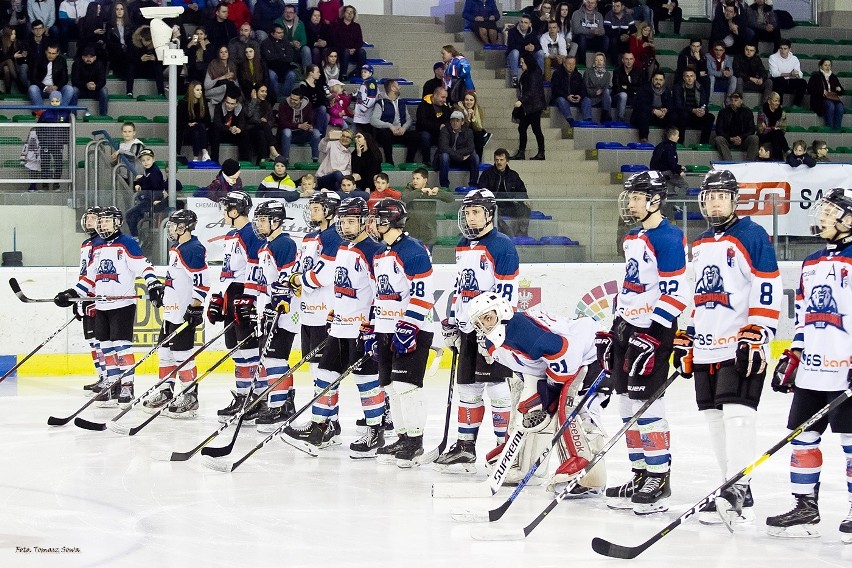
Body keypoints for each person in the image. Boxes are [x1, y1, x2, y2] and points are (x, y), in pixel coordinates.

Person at [676, 169, 782, 525]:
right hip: (706, 345)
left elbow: (767, 285)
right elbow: (696, 293)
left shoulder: (752, 235)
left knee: (738, 416)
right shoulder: (702, 241)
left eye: (722, 196)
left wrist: (759, 331)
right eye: (710, 196)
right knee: (713, 417)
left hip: (739, 344)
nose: (715, 202)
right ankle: (731, 485)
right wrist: (686, 334)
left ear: (735, 200)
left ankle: (738, 485)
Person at [765, 187, 852, 542]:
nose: (822, 218)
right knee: (802, 439)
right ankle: (805, 507)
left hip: (844, 370)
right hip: (813, 371)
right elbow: (802, 316)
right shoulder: (812, 261)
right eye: (823, 211)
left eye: (831, 212)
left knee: (850, 440)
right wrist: (795, 353)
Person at [597, 170, 686, 515]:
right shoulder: (633, 237)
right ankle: (639, 474)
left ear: (654, 200)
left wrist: (651, 333)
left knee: (647, 409)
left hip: (653, 333)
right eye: (630, 196)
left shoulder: (669, 237)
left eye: (636, 197)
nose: (630, 202)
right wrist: (616, 326)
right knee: (625, 409)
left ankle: (659, 478)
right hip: (627, 330)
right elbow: (631, 286)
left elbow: (676, 294)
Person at [470, 293, 608, 494]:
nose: (485, 326)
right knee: (528, 409)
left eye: (488, 318)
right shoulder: (495, 343)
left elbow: (566, 355)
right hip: (566, 359)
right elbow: (530, 369)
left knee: (572, 405)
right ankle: (526, 467)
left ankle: (588, 474)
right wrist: (539, 399)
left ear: (502, 310)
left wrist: (550, 392)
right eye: (480, 323)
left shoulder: (519, 330)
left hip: (590, 353)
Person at [285, 197, 385, 452]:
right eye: (343, 220)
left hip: (361, 329)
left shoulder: (374, 251)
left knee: (367, 381)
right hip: (339, 327)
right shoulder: (341, 247)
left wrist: (373, 324)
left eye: (352, 220)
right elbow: (334, 283)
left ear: (364, 222)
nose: (347, 226)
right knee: (325, 375)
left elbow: (380, 292)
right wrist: (333, 311)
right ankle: (320, 427)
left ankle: (375, 432)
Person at [434, 189, 517, 472]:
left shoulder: (502, 245)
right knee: (467, 387)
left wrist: (492, 330)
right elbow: (460, 288)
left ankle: (504, 448)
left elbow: (506, 291)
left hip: (493, 330)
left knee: (496, 388)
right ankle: (466, 447)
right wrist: (454, 322)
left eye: (475, 212)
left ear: (489, 214)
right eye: (467, 212)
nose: (470, 217)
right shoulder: (463, 243)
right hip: (468, 328)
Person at [54, 206, 164, 407]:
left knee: (122, 347)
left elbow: (144, 266)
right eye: (101, 221)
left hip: (122, 304)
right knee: (106, 348)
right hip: (102, 305)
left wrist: (153, 283)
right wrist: (72, 293)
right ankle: (112, 384)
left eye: (107, 221)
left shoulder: (127, 244)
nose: (102, 224)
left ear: (117, 223)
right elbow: (89, 277)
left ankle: (127, 386)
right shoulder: (98, 247)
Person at [366, 198, 436, 467]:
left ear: (390, 220)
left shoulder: (414, 251)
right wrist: (371, 328)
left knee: (408, 387)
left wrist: (409, 325)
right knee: (391, 388)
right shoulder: (380, 253)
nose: (373, 223)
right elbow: (377, 296)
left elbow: (423, 294)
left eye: (377, 218)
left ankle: (416, 442)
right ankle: (402, 436)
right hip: (385, 329)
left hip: (412, 329)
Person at [142, 210, 209, 419]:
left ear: (184, 227)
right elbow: (177, 278)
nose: (170, 229)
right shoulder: (177, 248)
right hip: (171, 313)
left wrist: (196, 307)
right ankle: (165, 391)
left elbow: (203, 281)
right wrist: (164, 292)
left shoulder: (194, 249)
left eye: (174, 225)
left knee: (182, 355)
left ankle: (190, 396)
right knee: (164, 353)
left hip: (183, 313)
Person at [207, 191, 265, 422]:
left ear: (235, 210)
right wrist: (219, 296)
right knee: (236, 348)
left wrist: (250, 298)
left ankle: (257, 398)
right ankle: (243, 395)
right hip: (232, 294)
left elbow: (257, 266)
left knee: (249, 348)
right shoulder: (232, 234)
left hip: (245, 293)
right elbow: (227, 270)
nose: (223, 212)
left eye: (226, 208)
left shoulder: (252, 232)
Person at [243, 200, 301, 431]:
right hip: (269, 309)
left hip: (284, 312)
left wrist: (277, 301)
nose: (258, 224)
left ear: (276, 221)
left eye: (262, 219)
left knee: (276, 358)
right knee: (269, 359)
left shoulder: (285, 244)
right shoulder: (266, 245)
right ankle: (283, 402)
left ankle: (278, 407)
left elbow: (288, 276)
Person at [75, 207, 106, 394]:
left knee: (101, 341)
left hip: (96, 297)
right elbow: (84, 273)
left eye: (94, 218)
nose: (89, 221)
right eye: (88, 218)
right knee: (92, 342)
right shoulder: (86, 243)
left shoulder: (102, 243)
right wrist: (79, 298)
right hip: (86, 295)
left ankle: (108, 378)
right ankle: (102, 377)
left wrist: (94, 297)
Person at [477, 148, 531, 237]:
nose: (499, 162)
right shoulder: (487, 174)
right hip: (494, 205)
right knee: (491, 213)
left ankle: (522, 235)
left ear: (507, 161)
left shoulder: (513, 175)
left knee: (525, 209)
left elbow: (521, 190)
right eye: (497, 160)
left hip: (510, 205)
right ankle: (507, 234)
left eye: (501, 160)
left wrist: (524, 199)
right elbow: (481, 190)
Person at [399, 167, 455, 250]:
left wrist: (439, 192)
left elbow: (451, 199)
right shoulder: (409, 189)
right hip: (412, 233)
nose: (414, 181)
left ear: (425, 180)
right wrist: (421, 191)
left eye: (418, 178)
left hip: (428, 234)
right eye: (413, 178)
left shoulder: (431, 190)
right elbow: (405, 198)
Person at [371, 79, 418, 165]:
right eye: (398, 86)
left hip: (400, 131)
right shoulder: (381, 103)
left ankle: (409, 161)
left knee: (415, 136)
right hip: (387, 132)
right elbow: (373, 120)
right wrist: (390, 126)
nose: (400, 87)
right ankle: (389, 161)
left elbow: (409, 119)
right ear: (393, 88)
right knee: (385, 135)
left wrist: (404, 128)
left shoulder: (401, 102)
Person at [125, 148, 166, 241]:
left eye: (148, 159)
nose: (146, 162)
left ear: (153, 159)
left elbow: (154, 186)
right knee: (133, 216)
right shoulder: (148, 171)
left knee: (129, 215)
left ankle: (135, 237)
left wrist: (142, 181)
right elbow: (145, 179)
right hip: (147, 200)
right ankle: (137, 236)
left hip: (151, 201)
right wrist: (139, 182)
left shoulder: (155, 171)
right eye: (143, 160)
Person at [513, 54, 546, 161]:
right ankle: (521, 152)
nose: (521, 64)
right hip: (528, 106)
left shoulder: (534, 73)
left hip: (535, 106)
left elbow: (532, 91)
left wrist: (521, 101)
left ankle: (541, 152)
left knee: (536, 129)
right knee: (522, 128)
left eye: (522, 62)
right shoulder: (527, 73)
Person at [277, 88, 320, 166]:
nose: (292, 101)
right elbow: (282, 123)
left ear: (301, 100)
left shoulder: (308, 105)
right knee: (287, 131)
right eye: (291, 98)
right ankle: (285, 160)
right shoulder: (283, 104)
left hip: (302, 134)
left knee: (316, 133)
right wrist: (298, 125)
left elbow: (310, 119)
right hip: (287, 135)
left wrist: (309, 126)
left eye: (295, 100)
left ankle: (315, 160)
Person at [672, 66, 714, 145]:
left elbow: (704, 103)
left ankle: (703, 143)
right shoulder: (677, 87)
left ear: (695, 77)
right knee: (683, 114)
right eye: (687, 76)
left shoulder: (700, 87)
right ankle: (680, 142)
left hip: (696, 116)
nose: (689, 78)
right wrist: (692, 110)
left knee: (710, 117)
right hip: (683, 115)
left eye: (691, 76)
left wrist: (703, 110)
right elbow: (678, 106)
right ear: (683, 78)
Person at [437, 110, 479, 188]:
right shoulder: (445, 130)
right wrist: (459, 156)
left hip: (462, 158)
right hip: (451, 158)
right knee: (444, 156)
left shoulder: (468, 131)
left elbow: (470, 148)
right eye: (453, 120)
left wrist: (457, 154)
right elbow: (443, 147)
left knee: (475, 157)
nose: (455, 123)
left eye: (457, 121)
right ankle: (444, 186)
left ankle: (473, 185)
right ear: (450, 121)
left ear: (462, 122)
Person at [713, 92, 759, 161]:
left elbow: (751, 129)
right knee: (718, 139)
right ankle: (729, 162)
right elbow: (719, 130)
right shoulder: (723, 112)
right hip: (728, 140)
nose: (733, 102)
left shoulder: (748, 112)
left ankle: (749, 163)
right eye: (732, 100)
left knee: (754, 138)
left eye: (736, 100)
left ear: (741, 101)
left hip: (743, 140)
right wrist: (730, 138)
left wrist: (741, 138)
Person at [209, 87, 250, 162]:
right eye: (228, 103)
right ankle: (214, 160)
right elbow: (217, 123)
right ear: (225, 101)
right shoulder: (219, 107)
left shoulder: (240, 109)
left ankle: (244, 161)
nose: (229, 105)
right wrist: (229, 128)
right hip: (222, 133)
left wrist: (238, 129)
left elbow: (242, 123)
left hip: (234, 135)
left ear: (236, 104)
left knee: (244, 134)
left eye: (232, 104)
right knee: (214, 131)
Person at [27, 41, 74, 107]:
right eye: (49, 53)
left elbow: (64, 78)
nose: (51, 55)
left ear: (57, 53)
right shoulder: (38, 59)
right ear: (46, 51)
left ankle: (61, 110)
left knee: (69, 89)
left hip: (56, 89)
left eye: (53, 53)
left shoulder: (62, 60)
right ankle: (41, 111)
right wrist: (45, 87)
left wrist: (56, 86)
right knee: (32, 88)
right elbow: (33, 77)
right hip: (41, 88)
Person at [632, 71, 672, 142]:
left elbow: (670, 104)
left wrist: (666, 110)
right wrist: (654, 111)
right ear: (652, 79)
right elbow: (641, 105)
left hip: (660, 116)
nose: (658, 82)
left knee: (673, 116)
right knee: (643, 114)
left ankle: (669, 140)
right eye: (656, 79)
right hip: (647, 114)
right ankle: (643, 139)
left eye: (660, 80)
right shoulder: (644, 88)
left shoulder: (667, 90)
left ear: (664, 81)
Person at [415, 86, 451, 165]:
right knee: (425, 136)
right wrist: (438, 126)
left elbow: (448, 121)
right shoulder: (423, 106)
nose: (444, 100)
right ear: (435, 95)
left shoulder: (446, 108)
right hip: (425, 133)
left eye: (446, 98)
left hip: (440, 134)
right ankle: (426, 161)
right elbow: (422, 123)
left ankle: (442, 161)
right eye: (442, 97)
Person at [261, 24, 298, 100]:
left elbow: (289, 58)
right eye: (278, 33)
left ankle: (285, 97)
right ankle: (276, 97)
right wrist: (282, 55)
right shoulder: (265, 43)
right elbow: (268, 58)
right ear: (272, 33)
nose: (281, 35)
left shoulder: (286, 42)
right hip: (271, 68)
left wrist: (274, 55)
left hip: (285, 68)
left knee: (292, 75)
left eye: (282, 32)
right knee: (271, 76)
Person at [505, 15, 543, 88]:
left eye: (525, 22)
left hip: (527, 56)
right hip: (513, 56)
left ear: (529, 24)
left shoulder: (533, 32)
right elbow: (511, 46)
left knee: (540, 53)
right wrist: (524, 47)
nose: (523, 24)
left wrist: (533, 47)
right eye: (521, 22)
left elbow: (538, 46)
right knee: (515, 52)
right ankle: (514, 78)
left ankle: (539, 77)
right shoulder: (512, 31)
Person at [244, 83, 279, 163]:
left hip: (263, 130)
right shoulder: (248, 102)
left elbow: (271, 121)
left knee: (262, 132)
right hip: (250, 130)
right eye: (262, 91)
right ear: (255, 92)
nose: (265, 94)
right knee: (263, 125)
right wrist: (254, 100)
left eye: (266, 92)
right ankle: (272, 148)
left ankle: (263, 159)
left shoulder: (267, 104)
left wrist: (265, 122)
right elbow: (249, 115)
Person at [178, 81, 212, 162]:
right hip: (186, 130)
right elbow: (178, 122)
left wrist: (197, 124)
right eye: (197, 90)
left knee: (197, 130)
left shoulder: (203, 103)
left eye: (201, 90)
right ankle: (204, 151)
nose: (200, 92)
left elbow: (208, 120)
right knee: (199, 127)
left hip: (199, 131)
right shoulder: (183, 103)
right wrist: (188, 124)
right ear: (191, 91)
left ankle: (196, 157)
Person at [807, 58, 845, 131]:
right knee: (830, 105)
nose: (828, 67)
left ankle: (837, 129)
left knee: (840, 107)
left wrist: (839, 89)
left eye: (829, 65)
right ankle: (829, 128)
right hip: (819, 99)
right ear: (821, 66)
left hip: (833, 98)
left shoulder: (833, 76)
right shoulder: (816, 76)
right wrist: (821, 92)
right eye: (825, 65)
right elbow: (810, 89)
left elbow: (841, 91)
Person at [551, 55, 591, 124]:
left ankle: (587, 121)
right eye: (569, 64)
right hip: (561, 98)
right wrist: (567, 96)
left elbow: (583, 89)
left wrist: (580, 96)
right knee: (561, 100)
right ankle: (570, 120)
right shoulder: (557, 74)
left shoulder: (578, 75)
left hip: (574, 99)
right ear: (564, 64)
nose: (571, 66)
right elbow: (555, 89)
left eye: (573, 64)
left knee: (587, 100)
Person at [649, 127, 688, 197]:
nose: (678, 137)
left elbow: (663, 161)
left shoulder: (660, 145)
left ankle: (669, 205)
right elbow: (671, 163)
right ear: (672, 136)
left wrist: (679, 166)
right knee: (684, 185)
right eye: (677, 135)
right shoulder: (670, 147)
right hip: (666, 173)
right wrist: (679, 171)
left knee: (669, 191)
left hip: (657, 173)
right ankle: (679, 204)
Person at [128, 26, 164, 98]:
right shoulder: (133, 43)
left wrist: (155, 59)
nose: (147, 43)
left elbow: (162, 60)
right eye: (146, 41)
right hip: (137, 69)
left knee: (158, 67)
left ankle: (161, 92)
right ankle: (129, 92)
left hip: (150, 69)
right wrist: (140, 59)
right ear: (141, 37)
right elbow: (129, 58)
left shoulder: (156, 44)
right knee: (130, 67)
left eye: (149, 41)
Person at [71, 46, 107, 117]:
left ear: (95, 58)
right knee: (74, 90)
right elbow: (74, 81)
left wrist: (96, 85)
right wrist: (86, 85)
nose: (89, 59)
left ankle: (103, 116)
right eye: (86, 56)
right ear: (82, 57)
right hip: (81, 89)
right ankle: (73, 115)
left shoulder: (99, 64)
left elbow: (102, 81)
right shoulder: (76, 64)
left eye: (91, 57)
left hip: (95, 89)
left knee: (104, 91)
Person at [331, 5, 366, 79]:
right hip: (341, 51)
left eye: (352, 12)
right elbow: (335, 40)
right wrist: (345, 48)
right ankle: (343, 74)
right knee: (345, 51)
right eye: (348, 12)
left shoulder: (356, 26)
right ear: (343, 13)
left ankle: (358, 72)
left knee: (362, 52)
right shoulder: (337, 25)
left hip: (354, 51)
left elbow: (360, 41)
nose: (350, 14)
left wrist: (355, 49)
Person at [768, 39, 806, 107]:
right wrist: (789, 74)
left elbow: (800, 74)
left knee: (803, 82)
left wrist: (796, 74)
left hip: (790, 81)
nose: (783, 51)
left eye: (785, 49)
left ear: (789, 49)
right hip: (777, 82)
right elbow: (774, 73)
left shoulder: (794, 59)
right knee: (780, 80)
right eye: (781, 48)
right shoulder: (773, 57)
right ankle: (780, 105)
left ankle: (796, 105)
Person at [571, 0, 608, 67]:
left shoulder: (599, 15)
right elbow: (576, 30)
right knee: (582, 37)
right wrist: (591, 31)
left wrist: (598, 32)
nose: (590, 4)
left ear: (596, 4)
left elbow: (603, 31)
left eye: (592, 3)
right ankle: (582, 63)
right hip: (580, 40)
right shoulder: (576, 13)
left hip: (593, 40)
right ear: (584, 2)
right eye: (588, 2)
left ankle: (600, 61)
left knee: (605, 38)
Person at [456, 91, 490, 162]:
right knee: (471, 133)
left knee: (479, 134)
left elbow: (478, 127)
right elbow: (461, 127)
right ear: (464, 100)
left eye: (471, 100)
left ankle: (478, 160)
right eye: (467, 100)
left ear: (474, 101)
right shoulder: (458, 109)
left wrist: (473, 117)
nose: (469, 102)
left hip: (473, 133)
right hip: (461, 132)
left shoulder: (478, 110)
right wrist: (467, 117)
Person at [277, 3, 311, 70]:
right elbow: (278, 38)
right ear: (283, 13)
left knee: (306, 49)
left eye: (291, 12)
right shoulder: (278, 22)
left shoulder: (300, 23)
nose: (288, 14)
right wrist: (291, 43)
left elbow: (304, 39)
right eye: (286, 12)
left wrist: (299, 44)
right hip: (283, 49)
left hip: (297, 49)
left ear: (295, 13)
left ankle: (308, 73)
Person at [106, 3, 133, 85]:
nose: (119, 11)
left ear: (125, 11)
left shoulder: (130, 25)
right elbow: (108, 40)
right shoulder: (110, 24)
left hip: (127, 48)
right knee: (118, 51)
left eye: (121, 9)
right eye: (117, 9)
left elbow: (132, 39)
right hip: (114, 48)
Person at [756, 91, 788, 160]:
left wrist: (769, 128)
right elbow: (761, 130)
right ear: (769, 101)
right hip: (764, 136)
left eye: (778, 101)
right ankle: (786, 150)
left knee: (777, 136)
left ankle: (777, 159)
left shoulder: (782, 113)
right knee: (777, 133)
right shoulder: (762, 112)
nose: (777, 103)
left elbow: (783, 130)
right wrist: (773, 128)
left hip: (776, 136)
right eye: (775, 101)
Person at [298, 64, 329, 134]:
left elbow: (322, 99)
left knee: (326, 115)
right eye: (317, 72)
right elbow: (304, 102)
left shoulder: (318, 84)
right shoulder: (303, 85)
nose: (319, 74)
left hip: (317, 110)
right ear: (311, 73)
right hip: (307, 112)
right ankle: (317, 133)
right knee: (323, 109)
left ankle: (319, 134)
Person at [584, 52, 613, 123]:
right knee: (586, 100)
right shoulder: (588, 72)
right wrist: (595, 92)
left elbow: (605, 88)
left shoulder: (607, 74)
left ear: (604, 62)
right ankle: (589, 121)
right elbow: (585, 87)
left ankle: (605, 115)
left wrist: (601, 91)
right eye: (597, 60)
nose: (599, 62)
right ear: (594, 62)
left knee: (607, 92)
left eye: (601, 60)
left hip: (602, 98)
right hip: (591, 97)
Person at [612, 51, 641, 122]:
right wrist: (633, 90)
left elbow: (641, 87)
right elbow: (617, 88)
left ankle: (636, 120)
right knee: (623, 95)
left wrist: (627, 87)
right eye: (626, 59)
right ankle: (620, 119)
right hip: (618, 97)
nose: (629, 61)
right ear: (622, 60)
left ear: (634, 60)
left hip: (633, 97)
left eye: (631, 59)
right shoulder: (617, 71)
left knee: (641, 97)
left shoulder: (639, 72)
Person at [604, 0, 635, 67]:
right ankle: (615, 64)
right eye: (613, 6)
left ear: (622, 7)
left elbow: (633, 29)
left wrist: (628, 36)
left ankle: (631, 64)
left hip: (626, 38)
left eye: (617, 6)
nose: (615, 8)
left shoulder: (628, 16)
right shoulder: (608, 15)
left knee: (633, 39)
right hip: (614, 39)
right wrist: (620, 36)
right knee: (613, 40)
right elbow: (607, 31)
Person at [0, 26, 26, 95]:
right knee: (8, 61)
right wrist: (13, 56)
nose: (14, 36)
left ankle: (8, 92)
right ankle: (19, 84)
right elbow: (1, 58)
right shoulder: (1, 43)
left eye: (14, 34)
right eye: (12, 34)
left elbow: (21, 55)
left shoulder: (16, 43)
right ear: (7, 35)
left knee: (6, 69)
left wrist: (23, 54)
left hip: (11, 68)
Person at [353, 63, 379, 135]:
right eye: (362, 72)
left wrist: (364, 107)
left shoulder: (371, 83)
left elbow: (371, 97)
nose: (363, 74)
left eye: (365, 72)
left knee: (365, 133)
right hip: (362, 113)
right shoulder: (366, 82)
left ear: (370, 73)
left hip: (365, 113)